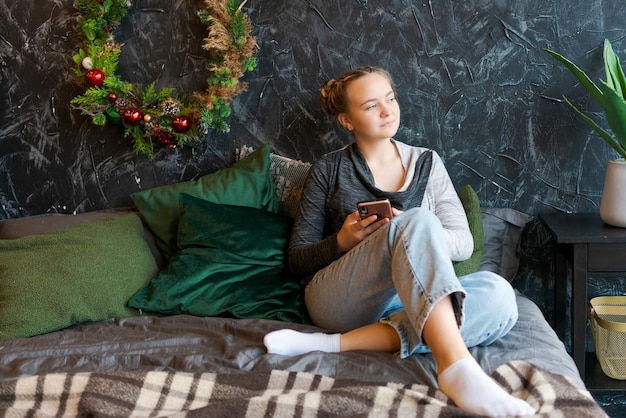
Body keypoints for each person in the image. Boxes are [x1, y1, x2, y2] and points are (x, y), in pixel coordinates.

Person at [264, 66, 535, 417]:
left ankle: (336, 345)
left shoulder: (427, 162)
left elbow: (463, 243)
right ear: (346, 119)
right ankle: (456, 368)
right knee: (418, 220)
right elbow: (297, 259)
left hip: (411, 301)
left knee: (500, 297)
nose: (387, 111)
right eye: (371, 106)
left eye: (390, 99)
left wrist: (409, 231)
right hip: (341, 299)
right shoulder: (328, 169)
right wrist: (344, 241)